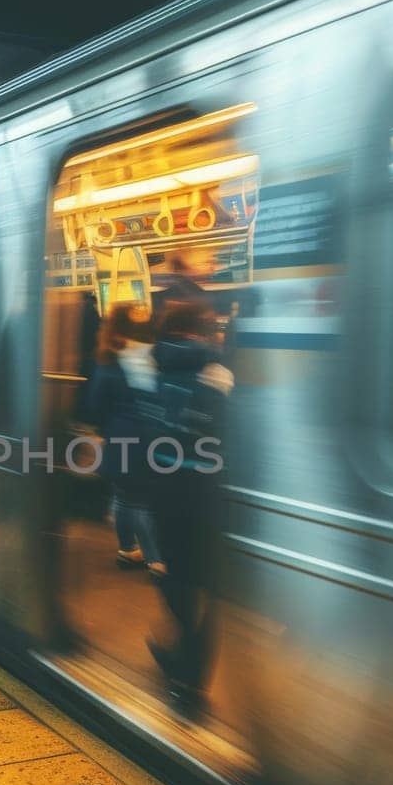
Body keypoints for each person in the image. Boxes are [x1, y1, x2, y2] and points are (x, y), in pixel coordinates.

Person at [147, 300, 232, 715]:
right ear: (203, 330)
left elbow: (147, 429)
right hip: (206, 486)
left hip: (165, 483)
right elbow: (228, 432)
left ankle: (178, 652)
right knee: (210, 586)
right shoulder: (219, 372)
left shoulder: (153, 367)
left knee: (176, 574)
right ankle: (192, 680)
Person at [84, 301, 164, 576]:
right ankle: (155, 561)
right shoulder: (150, 355)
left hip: (118, 436)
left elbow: (95, 405)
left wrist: (106, 430)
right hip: (145, 437)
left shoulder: (108, 358)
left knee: (124, 496)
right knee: (140, 500)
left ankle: (127, 550)